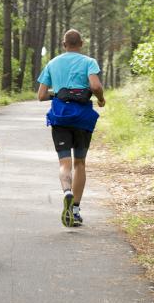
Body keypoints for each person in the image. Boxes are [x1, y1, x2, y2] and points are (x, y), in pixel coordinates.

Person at [37, 28, 105, 227]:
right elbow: (96, 86)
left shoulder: (52, 63)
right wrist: (100, 99)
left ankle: (66, 191)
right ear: (81, 43)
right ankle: (75, 209)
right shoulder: (89, 62)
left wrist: (58, 95)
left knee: (64, 164)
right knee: (80, 164)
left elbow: (41, 96)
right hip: (83, 119)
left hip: (60, 118)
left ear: (63, 44)